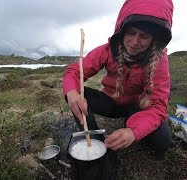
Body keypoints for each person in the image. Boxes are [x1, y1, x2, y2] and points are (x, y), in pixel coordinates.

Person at [63, 0, 174, 179]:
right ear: (122, 30)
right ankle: (94, 140)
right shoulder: (108, 50)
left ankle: (131, 126)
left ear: (155, 38)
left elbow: (158, 106)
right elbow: (74, 72)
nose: (135, 42)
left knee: (163, 141)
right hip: (111, 102)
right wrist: (72, 92)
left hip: (137, 108)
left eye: (144, 36)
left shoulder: (159, 60)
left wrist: (133, 131)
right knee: (74, 93)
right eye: (131, 33)